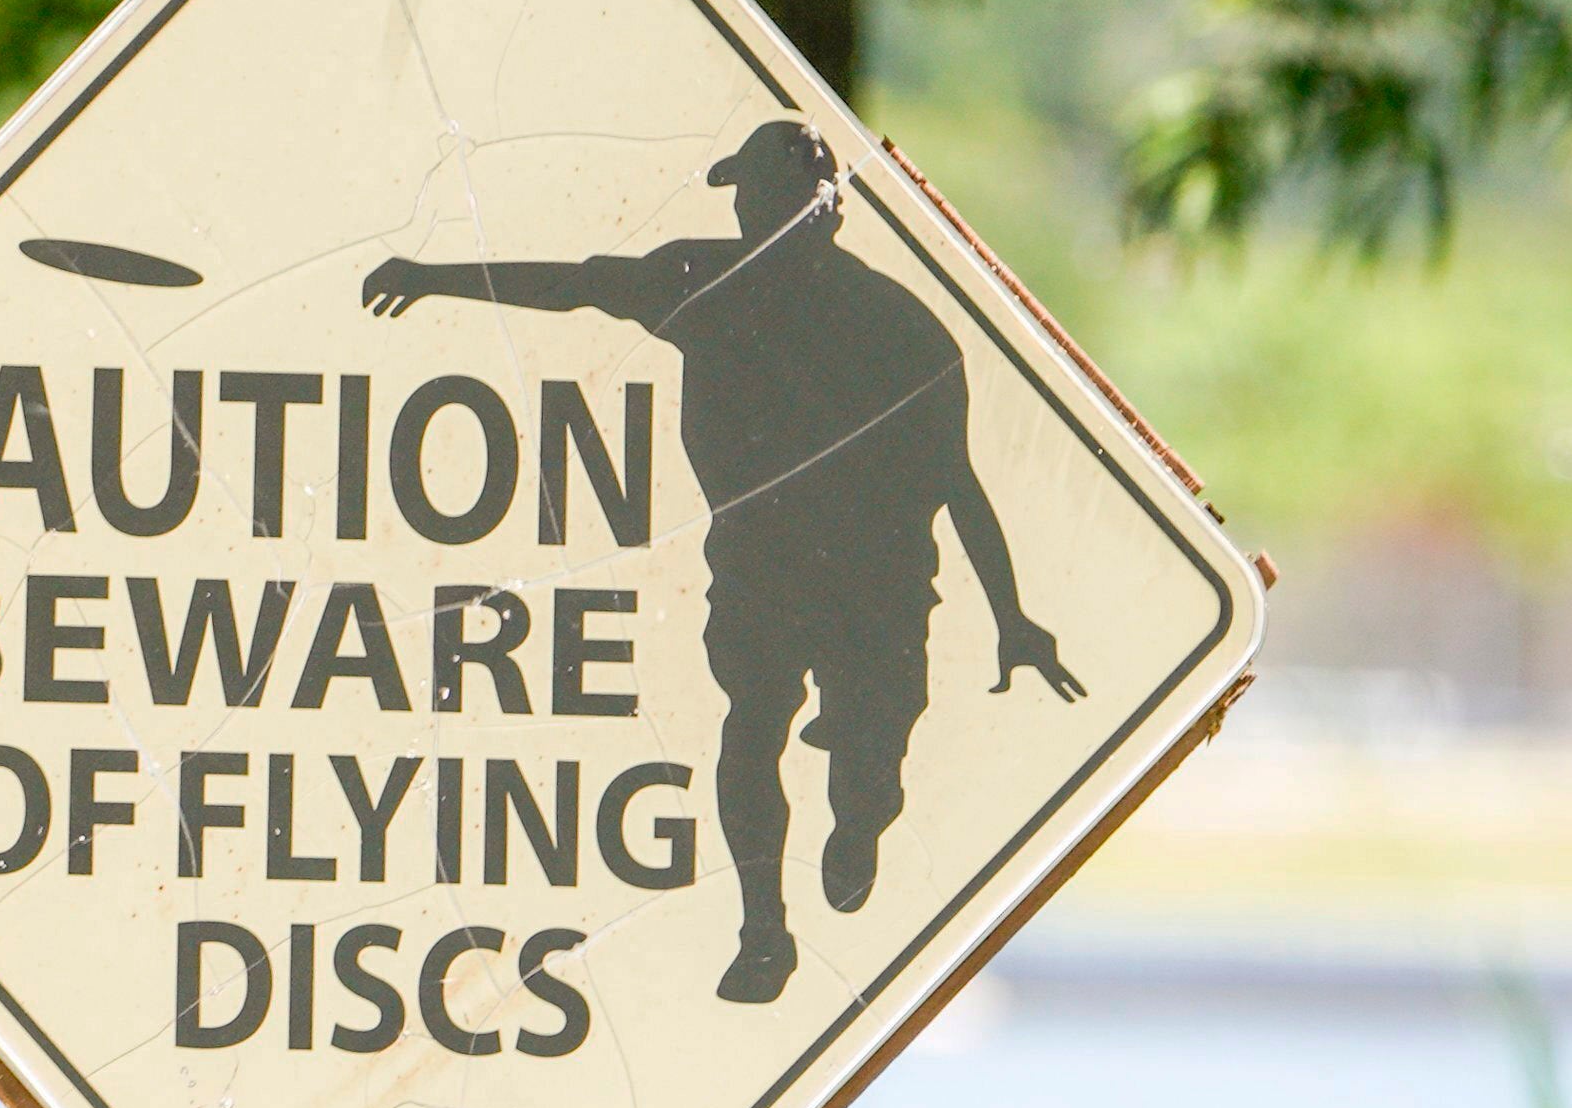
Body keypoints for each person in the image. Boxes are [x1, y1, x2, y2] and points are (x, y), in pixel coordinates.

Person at [360, 117, 1077, 1002]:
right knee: (753, 729)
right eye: (747, 197)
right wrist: (433, 279)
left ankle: (859, 816)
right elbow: (576, 285)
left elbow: (955, 484)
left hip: (879, 586)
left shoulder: (906, 332)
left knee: (869, 761)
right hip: (762, 568)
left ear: (821, 214)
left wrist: (1012, 618)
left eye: (765, 197)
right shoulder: (702, 280)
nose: (752, 212)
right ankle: (763, 932)